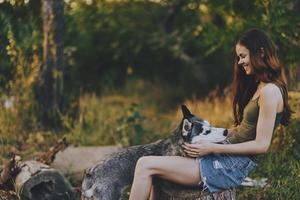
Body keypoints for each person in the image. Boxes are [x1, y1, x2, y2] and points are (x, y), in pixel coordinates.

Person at [128, 28, 292, 200]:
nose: (240, 62)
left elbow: (261, 145)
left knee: (145, 164)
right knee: (155, 170)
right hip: (223, 156)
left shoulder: (270, 92)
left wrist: (212, 147)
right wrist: (212, 133)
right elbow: (244, 130)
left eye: (243, 56)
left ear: (261, 52)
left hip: (228, 166)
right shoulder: (261, 87)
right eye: (238, 57)